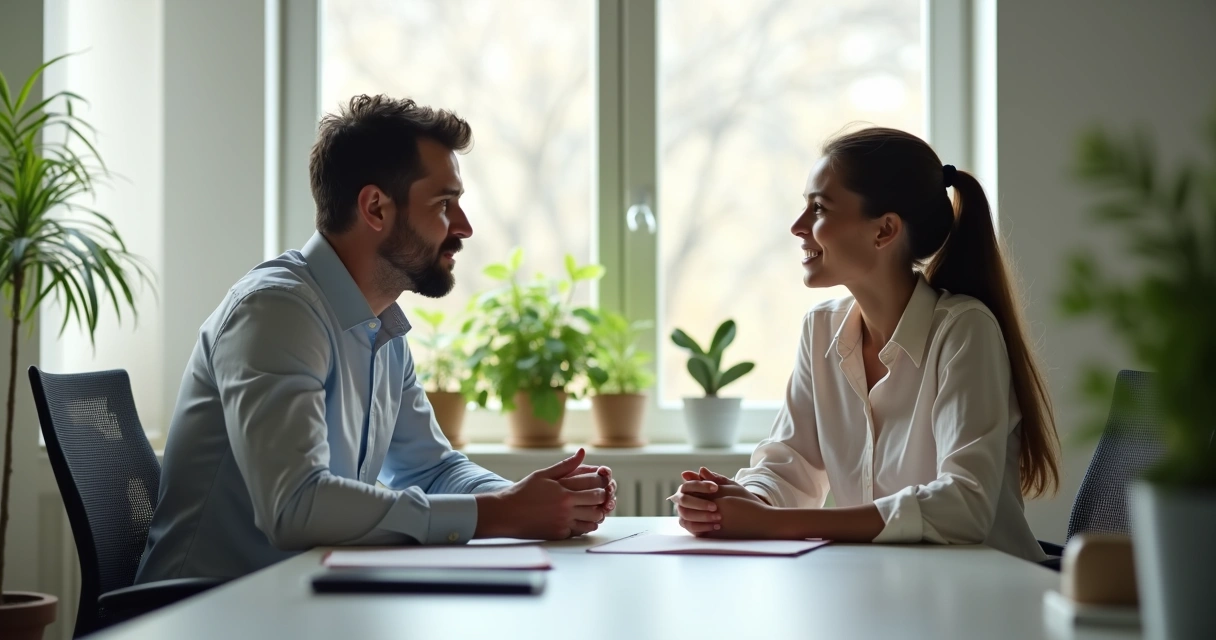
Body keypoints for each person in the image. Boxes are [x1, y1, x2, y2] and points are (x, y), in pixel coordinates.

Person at [138, 95, 616, 582]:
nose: (465, 228)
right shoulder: (276, 311)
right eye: (444, 204)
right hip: (205, 615)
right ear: (375, 208)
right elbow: (295, 505)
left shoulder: (382, 329)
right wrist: (501, 513)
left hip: (299, 602)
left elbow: (431, 470)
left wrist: (537, 501)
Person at [670, 127, 1059, 562]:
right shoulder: (820, 330)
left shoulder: (964, 329)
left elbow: (963, 508)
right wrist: (738, 501)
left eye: (819, 208)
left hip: (989, 599)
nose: (798, 227)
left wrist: (775, 523)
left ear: (884, 230)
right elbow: (790, 465)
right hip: (891, 588)